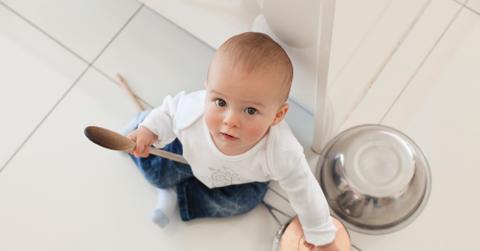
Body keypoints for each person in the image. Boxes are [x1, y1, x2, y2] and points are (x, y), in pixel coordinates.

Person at [123, 32, 339, 250]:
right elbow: (169, 114)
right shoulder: (193, 111)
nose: (230, 120)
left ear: (277, 116)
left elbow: (306, 191)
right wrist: (149, 130)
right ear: (207, 89)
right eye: (220, 101)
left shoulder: (282, 151)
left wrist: (319, 233)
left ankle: (176, 196)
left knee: (243, 202)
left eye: (250, 110)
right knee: (155, 171)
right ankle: (139, 124)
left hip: (241, 178)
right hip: (187, 155)